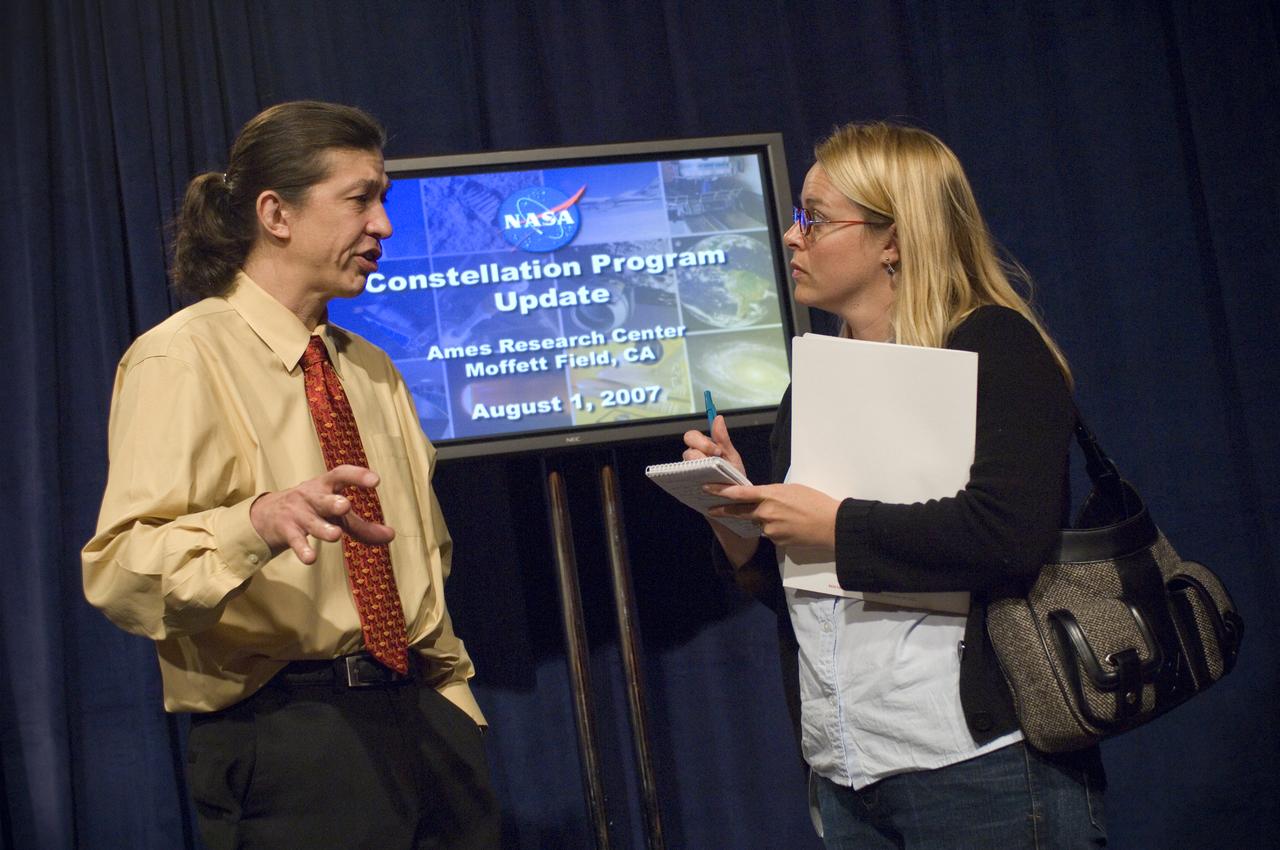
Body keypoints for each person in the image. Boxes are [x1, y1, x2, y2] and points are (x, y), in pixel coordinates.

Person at [82, 101, 499, 849]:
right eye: (359, 198)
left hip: (424, 726)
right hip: (287, 742)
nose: (384, 226)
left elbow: (421, 560)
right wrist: (256, 523)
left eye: (384, 199)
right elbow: (119, 572)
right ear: (276, 213)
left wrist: (453, 700)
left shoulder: (370, 369)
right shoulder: (181, 358)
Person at [682, 122, 1106, 849]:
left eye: (813, 218)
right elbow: (808, 596)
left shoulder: (993, 346)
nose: (791, 236)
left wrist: (833, 527)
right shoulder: (810, 383)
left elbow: (1009, 536)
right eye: (794, 218)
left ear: (894, 239)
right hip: (848, 775)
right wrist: (743, 530)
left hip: (981, 769)